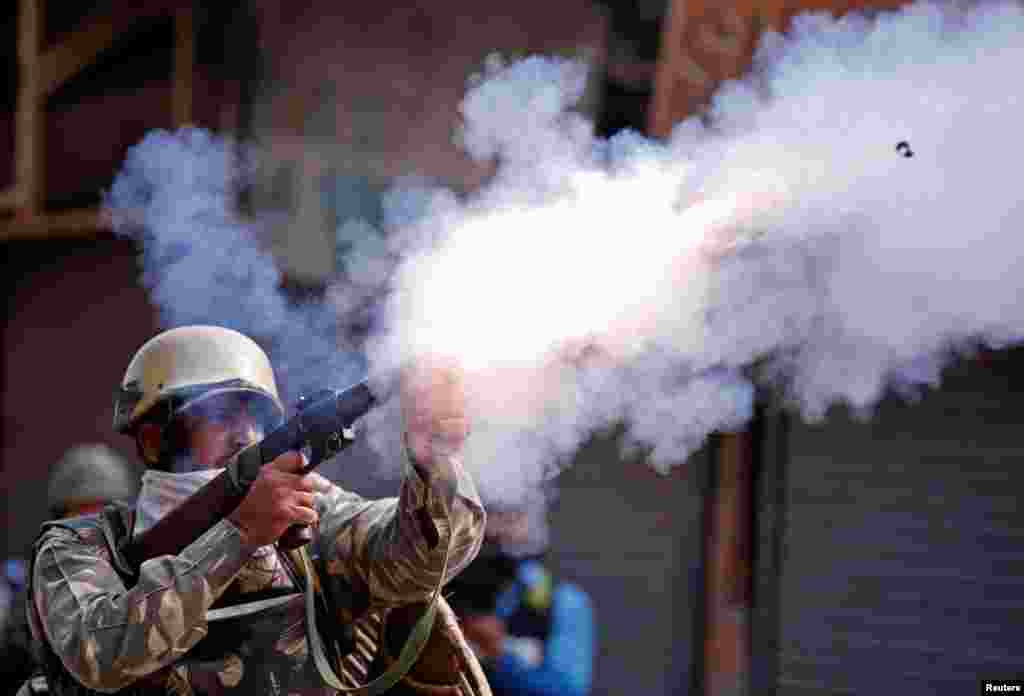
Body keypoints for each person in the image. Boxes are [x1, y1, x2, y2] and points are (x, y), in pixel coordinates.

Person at [24, 325, 486, 696]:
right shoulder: (81, 547)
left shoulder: (310, 511)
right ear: (153, 439)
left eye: (256, 417)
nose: (245, 434)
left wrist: (433, 462)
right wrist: (238, 535)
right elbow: (100, 652)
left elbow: (416, 565)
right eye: (220, 415)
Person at [5, 444, 140, 696]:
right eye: (77, 518)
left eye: (101, 518)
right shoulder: (25, 585)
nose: (86, 535)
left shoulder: (143, 574)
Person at [450, 507, 595, 696]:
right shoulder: (438, 587)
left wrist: (498, 654)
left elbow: (567, 691)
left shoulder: (563, 600)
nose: (495, 527)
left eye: (506, 514)